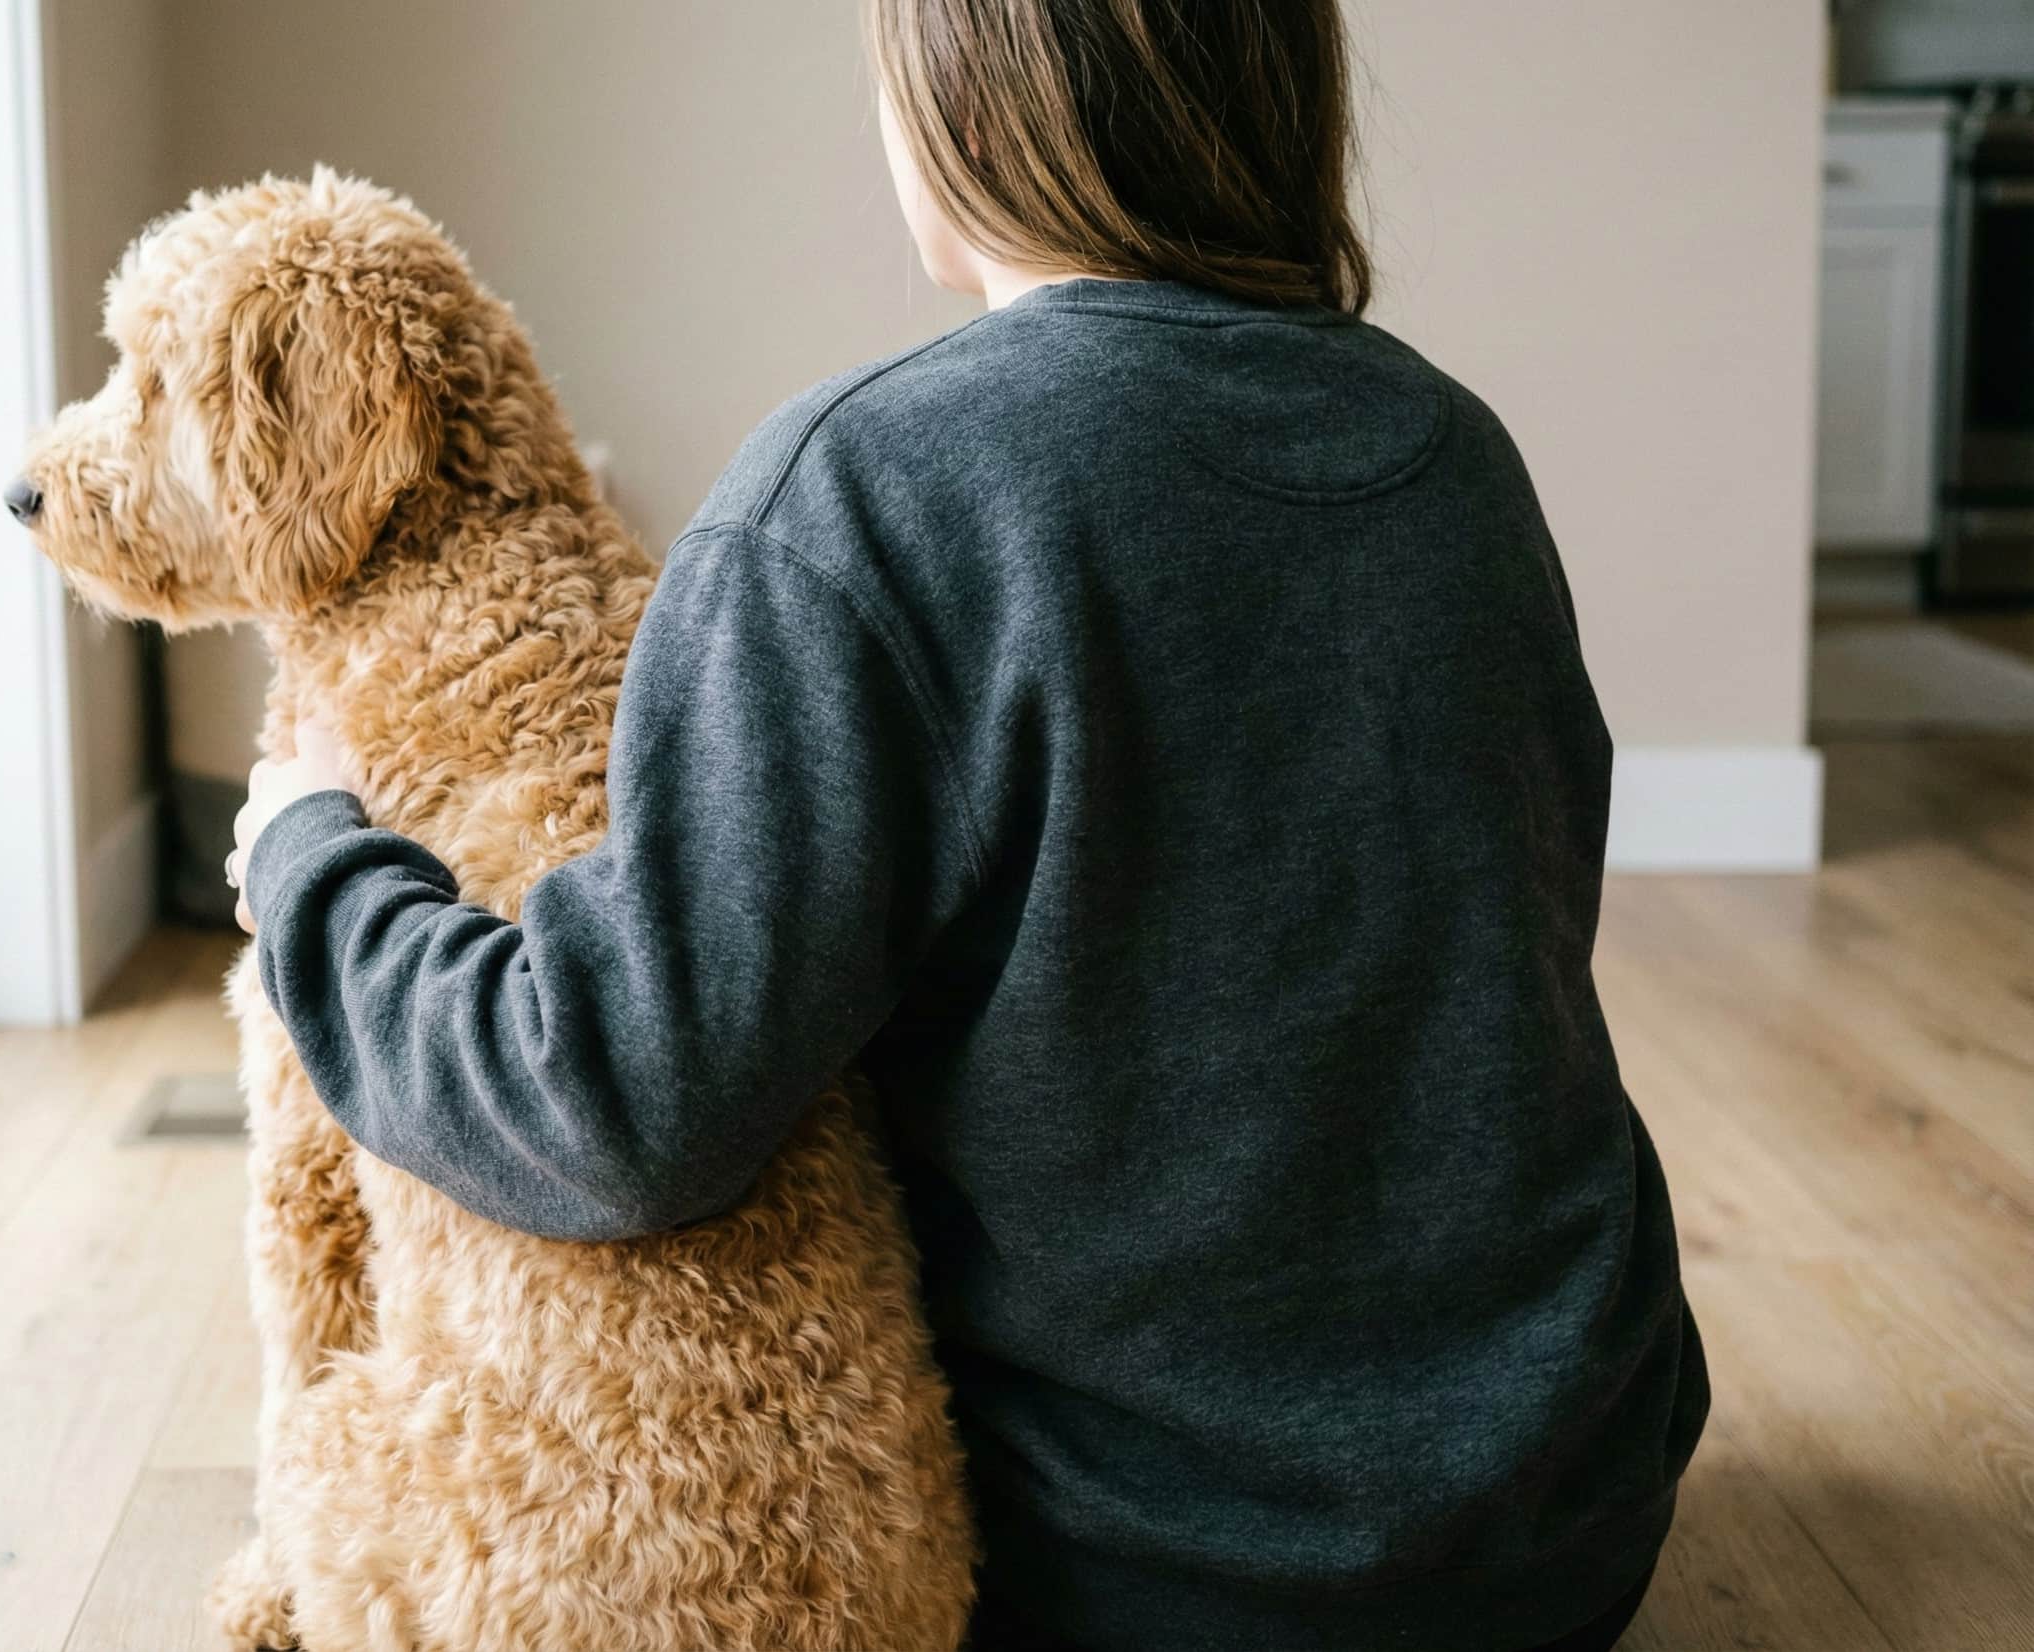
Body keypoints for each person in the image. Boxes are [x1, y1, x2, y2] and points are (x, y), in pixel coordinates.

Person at [228, 1, 1707, 1647]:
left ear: (974, 111)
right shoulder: (1451, 451)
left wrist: (314, 863)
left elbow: (612, 1108)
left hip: (1157, 1579)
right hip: (1561, 1523)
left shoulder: (861, 488)